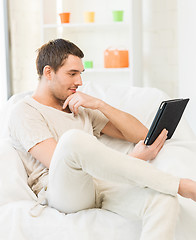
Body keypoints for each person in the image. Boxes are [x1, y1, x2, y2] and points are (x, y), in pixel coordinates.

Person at [8, 38, 196, 240]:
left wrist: (99, 104)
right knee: (72, 140)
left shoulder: (77, 107)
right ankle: (181, 185)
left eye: (80, 73)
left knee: (163, 200)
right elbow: (58, 162)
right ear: (48, 73)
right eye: (72, 74)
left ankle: (172, 190)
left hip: (101, 185)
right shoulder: (24, 111)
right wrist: (133, 158)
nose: (79, 82)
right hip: (62, 191)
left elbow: (141, 134)